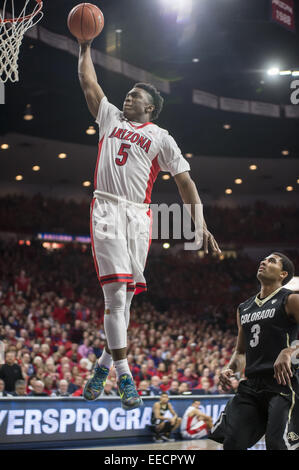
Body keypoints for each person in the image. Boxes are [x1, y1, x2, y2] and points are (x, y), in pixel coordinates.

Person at [77, 33, 221, 411]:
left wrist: (199, 224)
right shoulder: (109, 117)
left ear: (151, 109)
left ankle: (104, 365)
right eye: (128, 93)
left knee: (125, 298)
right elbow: (89, 82)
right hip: (108, 208)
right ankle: (125, 375)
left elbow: (186, 182)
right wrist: (84, 46)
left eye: (137, 96)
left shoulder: (161, 138)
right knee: (114, 296)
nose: (129, 97)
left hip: (139, 217)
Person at [208, 253, 299, 450]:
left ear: (283, 274)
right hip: (252, 385)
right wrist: (229, 368)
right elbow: (241, 352)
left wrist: (289, 350)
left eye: (271, 261)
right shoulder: (244, 308)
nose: (264, 262)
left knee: (277, 444)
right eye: (264, 259)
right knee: (232, 442)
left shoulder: (291, 300)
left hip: (283, 384)